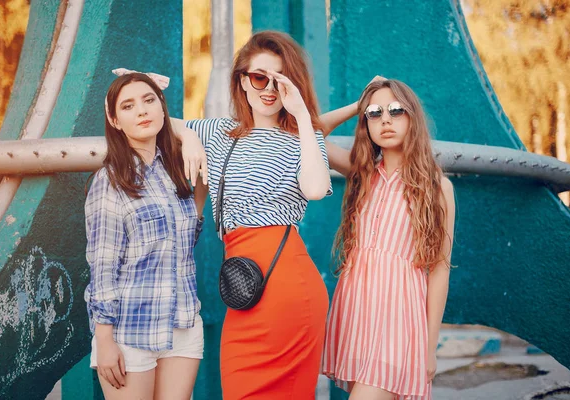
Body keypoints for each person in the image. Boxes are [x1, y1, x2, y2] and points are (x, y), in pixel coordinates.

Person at [173, 30, 332, 399]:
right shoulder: (218, 132)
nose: (269, 88)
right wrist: (190, 136)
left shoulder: (304, 139)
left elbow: (314, 189)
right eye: (260, 77)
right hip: (242, 287)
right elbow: (159, 120)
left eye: (281, 80)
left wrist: (303, 118)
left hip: (287, 285)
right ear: (243, 80)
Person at [321, 79, 455, 400]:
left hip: (398, 320)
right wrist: (358, 104)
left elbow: (439, 269)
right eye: (374, 113)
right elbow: (310, 132)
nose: (385, 120)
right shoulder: (362, 172)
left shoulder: (437, 187)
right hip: (356, 312)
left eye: (396, 111)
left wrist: (429, 346)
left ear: (412, 118)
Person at [85, 71, 204, 400]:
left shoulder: (175, 169)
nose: (141, 111)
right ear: (114, 120)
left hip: (183, 324)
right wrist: (105, 340)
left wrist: (190, 137)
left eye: (149, 100)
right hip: (129, 331)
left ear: (163, 108)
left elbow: (182, 246)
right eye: (128, 106)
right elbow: (102, 266)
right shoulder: (110, 181)